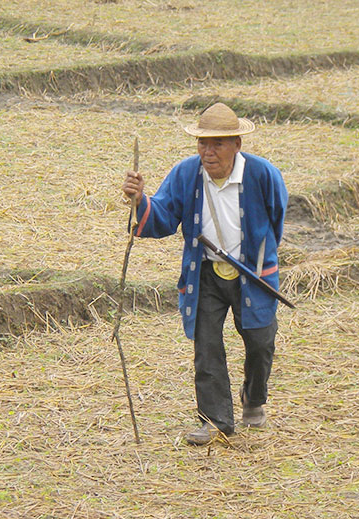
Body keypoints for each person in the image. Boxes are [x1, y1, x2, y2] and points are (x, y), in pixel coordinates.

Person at [121, 102, 288, 445]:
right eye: (203, 144)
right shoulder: (186, 174)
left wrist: (261, 256)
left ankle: (253, 399)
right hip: (206, 274)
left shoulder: (263, 175)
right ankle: (215, 420)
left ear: (237, 144)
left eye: (218, 144)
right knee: (207, 345)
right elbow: (164, 214)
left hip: (252, 274)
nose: (208, 152)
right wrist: (140, 201)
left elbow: (277, 217)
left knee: (260, 342)